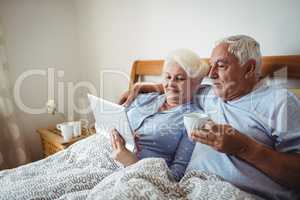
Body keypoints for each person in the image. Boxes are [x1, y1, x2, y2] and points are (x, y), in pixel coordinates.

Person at [119, 35, 300, 200]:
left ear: (249, 68)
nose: (211, 74)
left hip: (238, 193)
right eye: (211, 65)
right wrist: (149, 86)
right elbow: (176, 85)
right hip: (187, 189)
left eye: (220, 66)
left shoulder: (280, 102)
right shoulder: (209, 94)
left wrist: (244, 148)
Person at [110, 49, 210, 181]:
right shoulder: (145, 98)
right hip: (103, 156)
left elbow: (176, 175)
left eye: (180, 79)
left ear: (196, 84)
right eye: (168, 77)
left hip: (137, 174)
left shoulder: (193, 119)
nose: (171, 84)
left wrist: (131, 162)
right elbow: (114, 122)